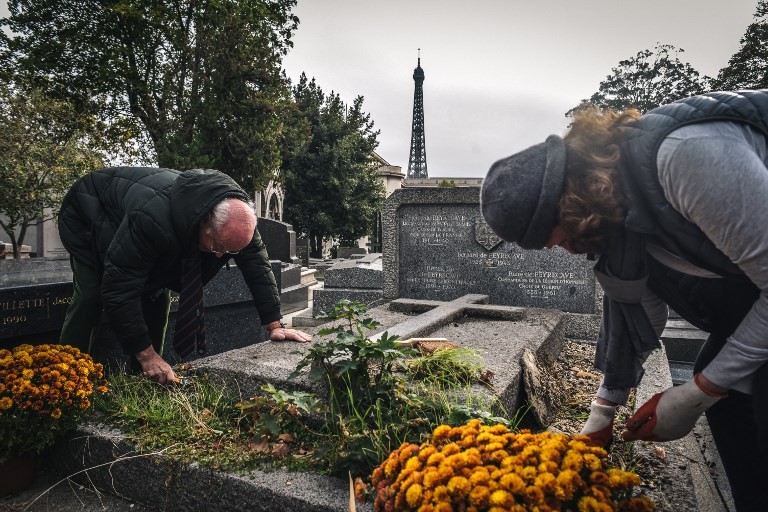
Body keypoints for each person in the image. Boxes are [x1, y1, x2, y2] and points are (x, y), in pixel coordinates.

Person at [480, 90, 768, 511]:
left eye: (555, 237)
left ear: (570, 201)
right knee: (731, 403)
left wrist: (697, 392)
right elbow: (634, 307)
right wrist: (603, 412)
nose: (563, 249)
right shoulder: (618, 214)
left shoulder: (686, 159)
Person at [58, 166, 311, 385]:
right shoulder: (152, 218)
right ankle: (67, 377)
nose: (222, 256)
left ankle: (144, 381)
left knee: (156, 297)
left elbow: (258, 266)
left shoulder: (238, 222)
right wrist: (146, 355)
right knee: (92, 296)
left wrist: (275, 324)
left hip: (146, 228)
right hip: (90, 216)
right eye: (218, 247)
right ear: (206, 220)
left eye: (230, 251)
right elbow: (119, 287)